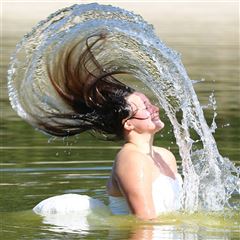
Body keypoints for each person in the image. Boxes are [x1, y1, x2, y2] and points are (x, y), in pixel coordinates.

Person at [28, 32, 182, 220]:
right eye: (145, 107)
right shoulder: (132, 160)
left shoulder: (165, 156)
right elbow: (145, 223)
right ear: (128, 124)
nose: (154, 109)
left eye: (149, 103)